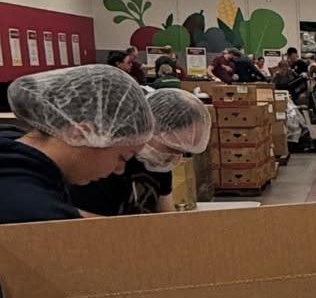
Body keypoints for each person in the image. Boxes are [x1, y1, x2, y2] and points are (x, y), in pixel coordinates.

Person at [0, 65, 154, 224]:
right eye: (122, 157)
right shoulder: (32, 213)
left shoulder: (13, 148)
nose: (119, 170)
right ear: (82, 133)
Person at [71, 89, 211, 216]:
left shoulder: (158, 163)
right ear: (152, 128)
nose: (174, 159)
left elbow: (166, 212)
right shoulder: (106, 165)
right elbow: (89, 224)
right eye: (171, 149)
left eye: (182, 152)